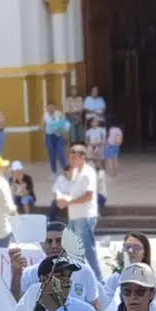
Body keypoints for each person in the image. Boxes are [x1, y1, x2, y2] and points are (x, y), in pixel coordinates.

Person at [55, 145, 102, 278]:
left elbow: (88, 196)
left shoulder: (88, 172)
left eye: (74, 157)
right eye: (70, 156)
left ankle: (99, 282)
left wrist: (68, 202)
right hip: (74, 217)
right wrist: (62, 200)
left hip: (85, 217)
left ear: (82, 157)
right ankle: (78, 279)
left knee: (88, 252)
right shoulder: (75, 172)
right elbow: (71, 193)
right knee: (72, 250)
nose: (71, 159)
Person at [44, 102, 70, 173]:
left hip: (59, 136)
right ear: (46, 108)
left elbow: (65, 124)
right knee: (51, 154)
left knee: (61, 154)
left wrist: (66, 136)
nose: (50, 108)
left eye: (52, 107)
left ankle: (66, 171)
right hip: (49, 137)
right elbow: (42, 126)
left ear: (55, 107)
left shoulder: (59, 114)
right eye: (48, 107)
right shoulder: (45, 116)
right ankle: (54, 171)